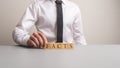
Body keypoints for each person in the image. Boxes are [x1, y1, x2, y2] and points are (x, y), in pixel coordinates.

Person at [12, 0, 87, 48]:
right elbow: (18, 31)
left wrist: (81, 56)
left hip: (69, 55)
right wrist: (28, 40)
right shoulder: (36, 6)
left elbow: (79, 37)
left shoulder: (74, 8)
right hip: (43, 54)